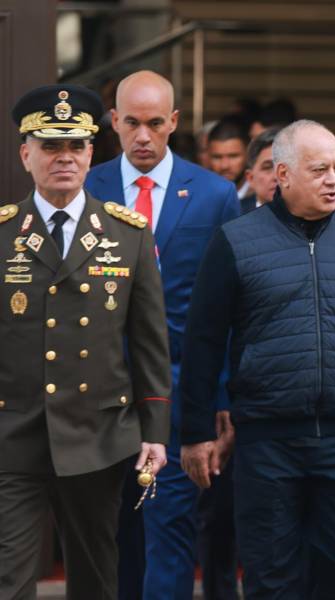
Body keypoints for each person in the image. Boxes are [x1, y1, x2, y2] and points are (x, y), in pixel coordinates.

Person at [179, 119, 335, 599]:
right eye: (320, 170)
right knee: (273, 575)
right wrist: (194, 432)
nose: (334, 180)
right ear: (283, 174)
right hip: (267, 440)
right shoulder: (235, 241)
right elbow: (203, 341)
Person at [0, 84, 171, 600]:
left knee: (96, 576)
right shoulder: (4, 234)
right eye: (51, 146)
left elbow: (148, 342)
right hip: (15, 434)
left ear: (93, 152)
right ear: (25, 153)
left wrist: (155, 429)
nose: (65, 158)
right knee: (9, 577)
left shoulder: (127, 233)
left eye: (76, 146)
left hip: (98, 436)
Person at [84, 70, 240, 600]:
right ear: (114, 122)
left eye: (155, 123)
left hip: (178, 392)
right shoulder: (88, 185)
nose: (143, 136)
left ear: (174, 121)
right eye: (132, 123)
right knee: (111, 532)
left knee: (169, 528)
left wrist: (219, 398)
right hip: (100, 393)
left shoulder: (216, 195)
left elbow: (226, 310)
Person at [207, 116, 251, 199]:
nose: (225, 166)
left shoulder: (263, 195)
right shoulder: (198, 196)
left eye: (233, 156)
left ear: (248, 154)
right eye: (217, 157)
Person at [241, 127, 281, 213]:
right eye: (267, 167)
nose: (276, 177)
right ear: (250, 178)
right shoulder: (233, 217)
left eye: (285, 168)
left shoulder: (313, 217)